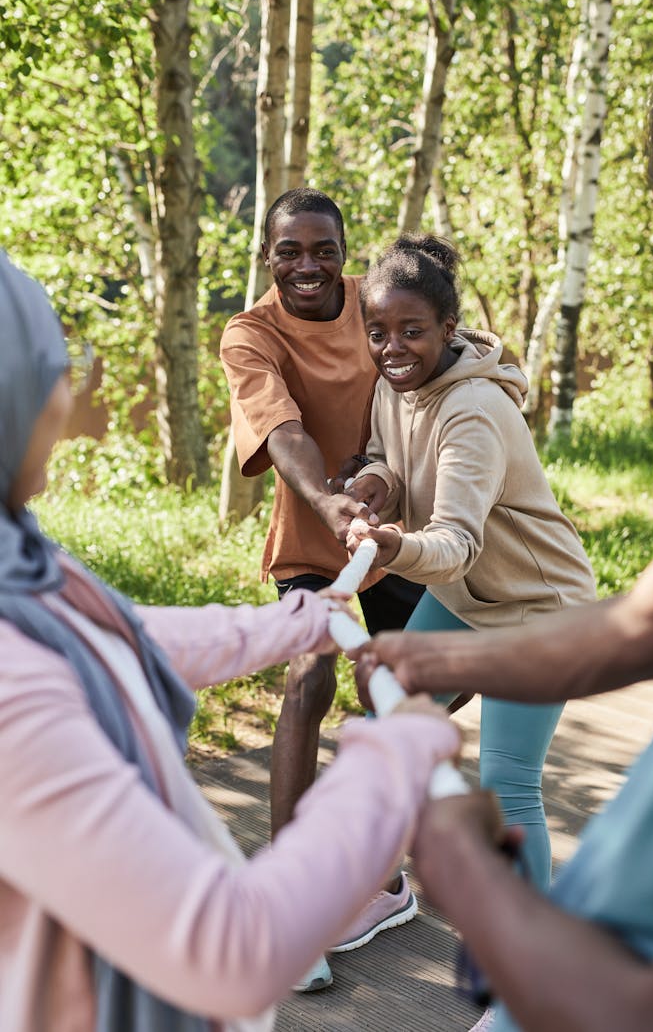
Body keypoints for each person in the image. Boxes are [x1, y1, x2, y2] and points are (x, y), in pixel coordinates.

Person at [355, 0, 653, 1032]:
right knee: (402, 705)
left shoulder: (479, 410)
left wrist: (471, 881)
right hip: (485, 610)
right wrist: (427, 654)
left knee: (505, 784)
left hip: (510, 592)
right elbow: (631, 630)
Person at [0, 249, 462, 1032]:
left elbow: (120, 634)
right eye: (54, 364)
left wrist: (293, 623)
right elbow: (232, 946)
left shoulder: (21, 555)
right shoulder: (14, 688)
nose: (68, 394)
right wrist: (390, 762)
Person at [220, 189, 429, 987]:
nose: (307, 265)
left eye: (322, 248)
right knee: (309, 682)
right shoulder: (250, 333)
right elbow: (283, 430)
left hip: (401, 533)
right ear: (268, 255)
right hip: (315, 537)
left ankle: (376, 876)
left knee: (406, 693)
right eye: (289, 251)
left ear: (347, 250)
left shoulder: (378, 306)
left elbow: (443, 352)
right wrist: (328, 499)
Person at [345, 232, 597, 893]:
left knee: (506, 787)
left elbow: (454, 545)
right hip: (468, 599)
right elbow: (389, 454)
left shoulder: (475, 412)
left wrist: (394, 545)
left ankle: (530, 982)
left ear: (447, 328)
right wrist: (378, 481)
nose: (392, 347)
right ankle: (376, 889)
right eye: (378, 332)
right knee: (385, 726)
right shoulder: (395, 385)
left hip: (538, 611)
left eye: (411, 331)